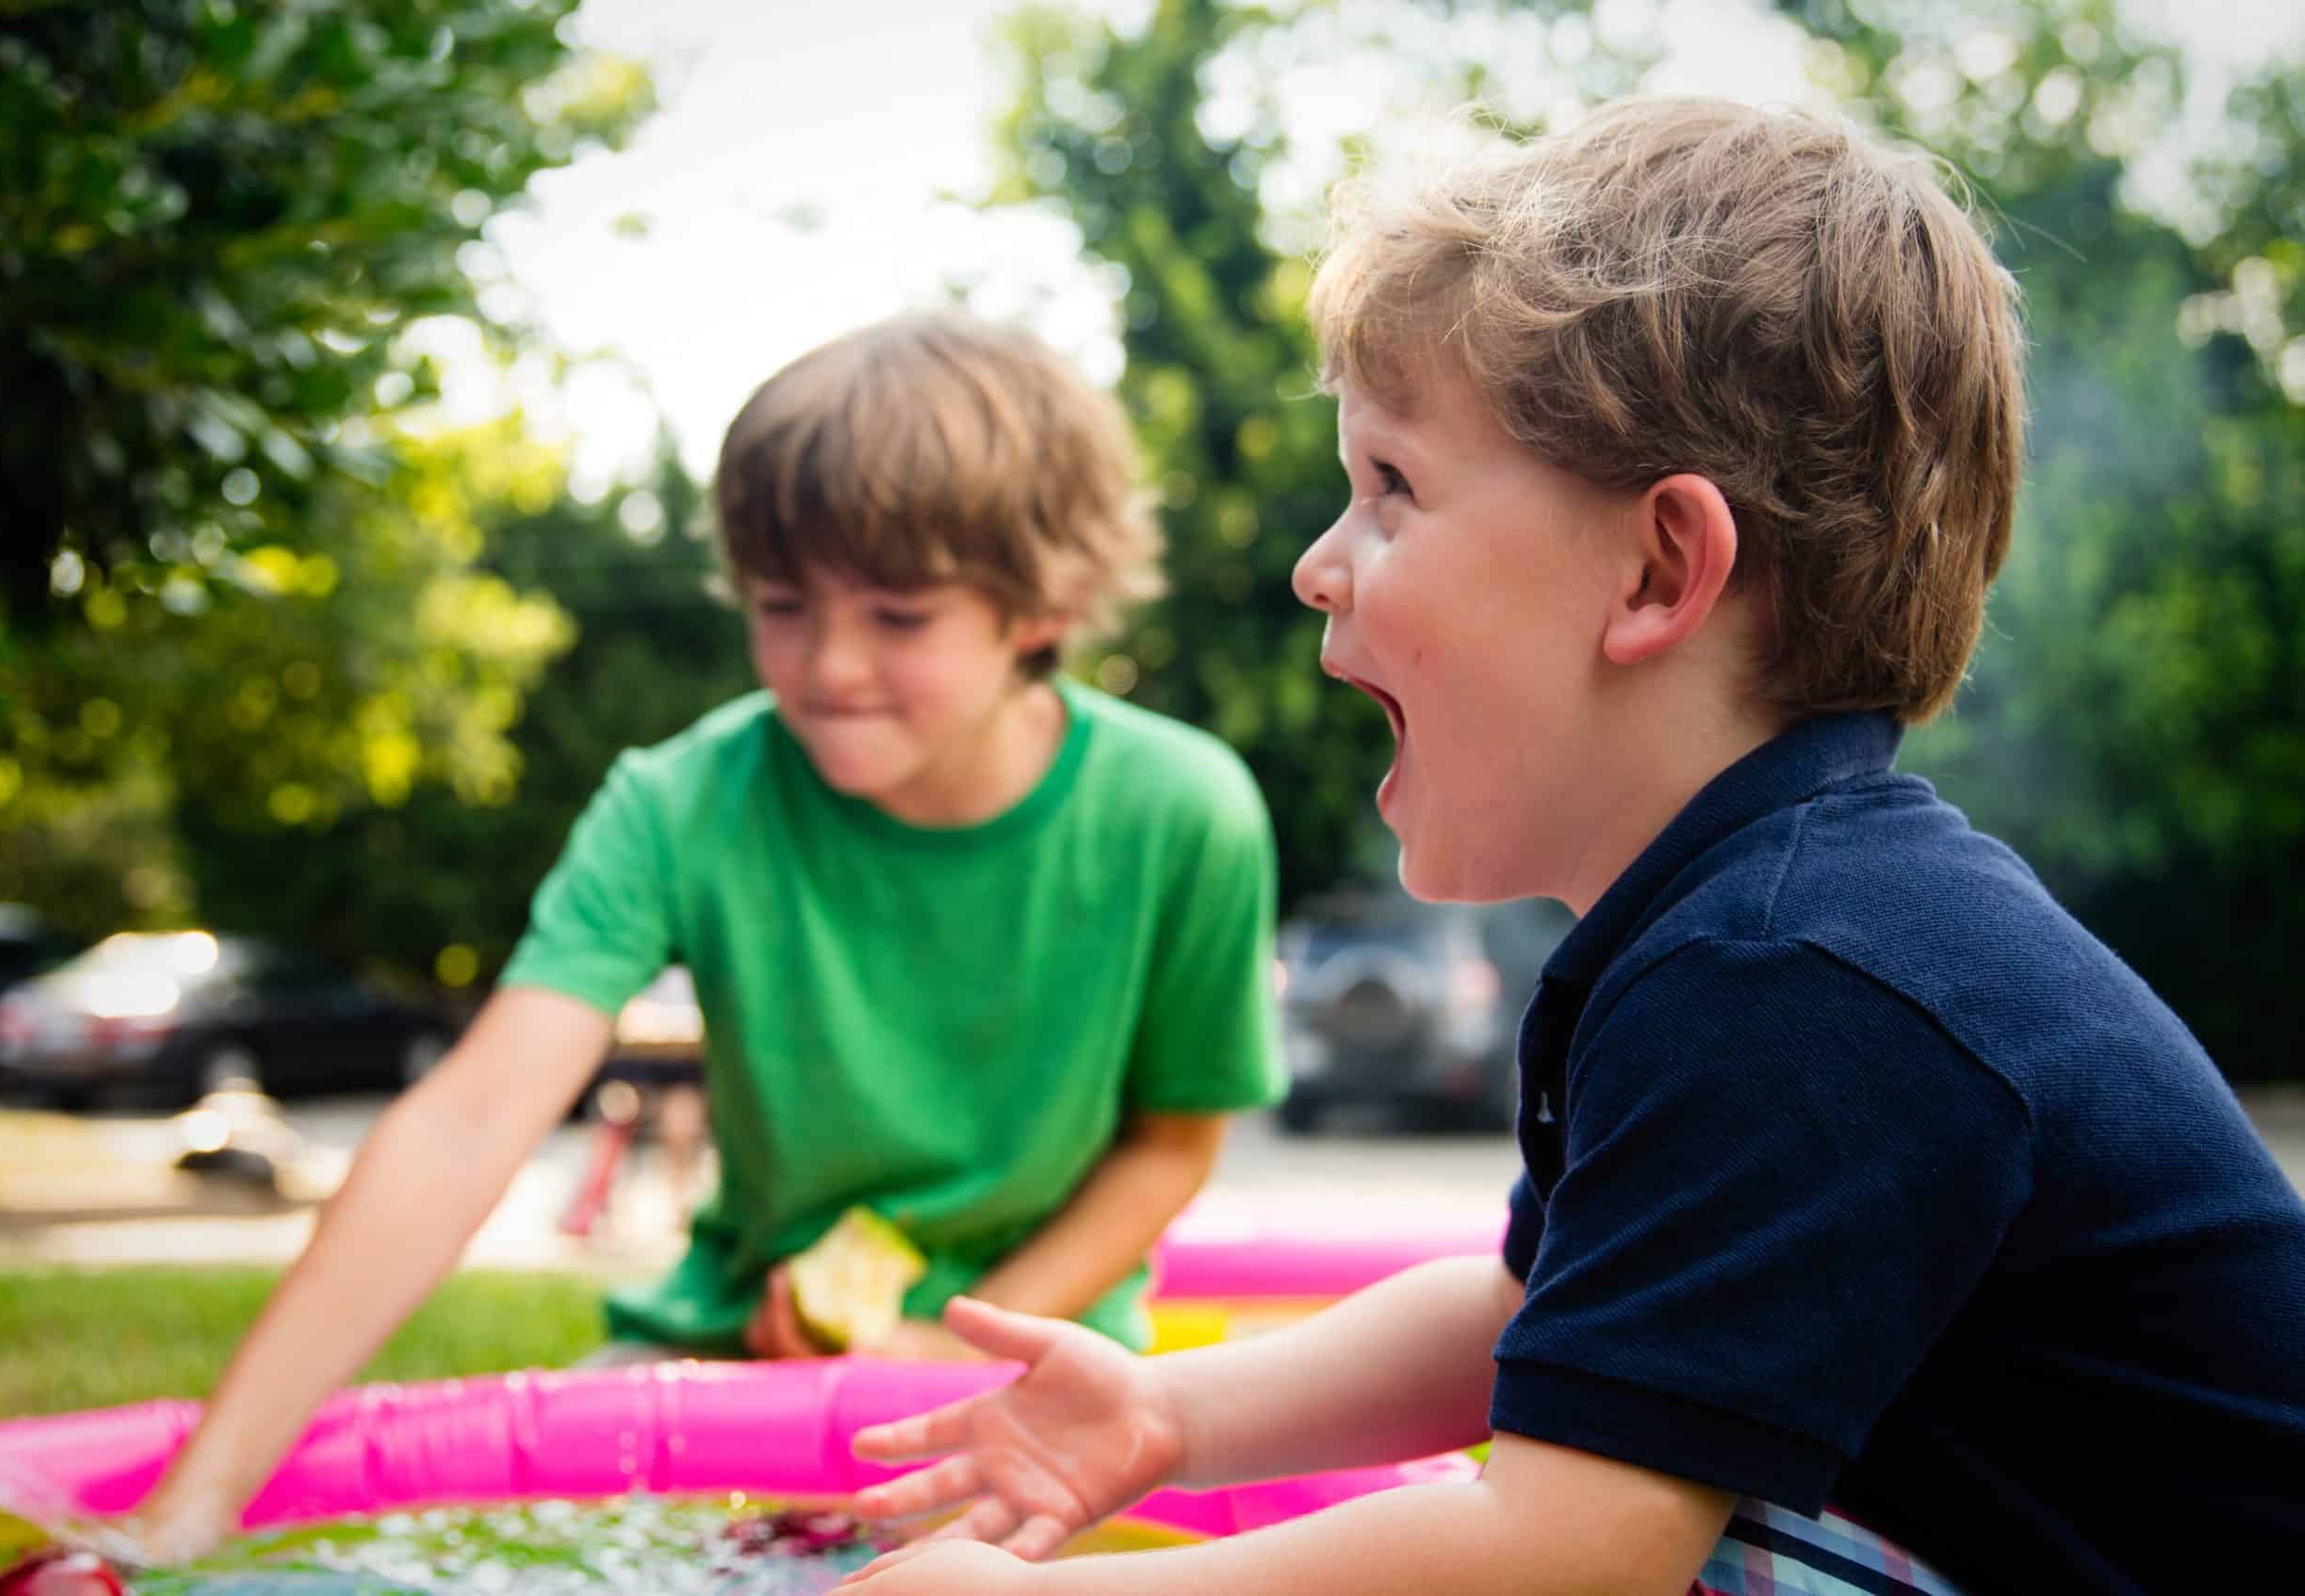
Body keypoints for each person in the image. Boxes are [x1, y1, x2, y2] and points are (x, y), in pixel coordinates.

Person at [830, 98, 2305, 1596]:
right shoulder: (1743, 928)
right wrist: (1167, 1412)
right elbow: (1527, 1313)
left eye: (1393, 488)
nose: (1316, 563)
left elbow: (1564, 1556)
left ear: (1660, 568)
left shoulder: (1803, 979)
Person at [127, 312, 1288, 1558]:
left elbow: (1169, 1147)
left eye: (898, 616)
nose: (829, 665)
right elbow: (466, 1127)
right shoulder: (681, 801)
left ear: (1042, 602)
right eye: (782, 606)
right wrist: (190, 1507)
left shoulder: (1185, 813)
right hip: (724, 1356)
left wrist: (953, 1340)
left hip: (1041, 1373)